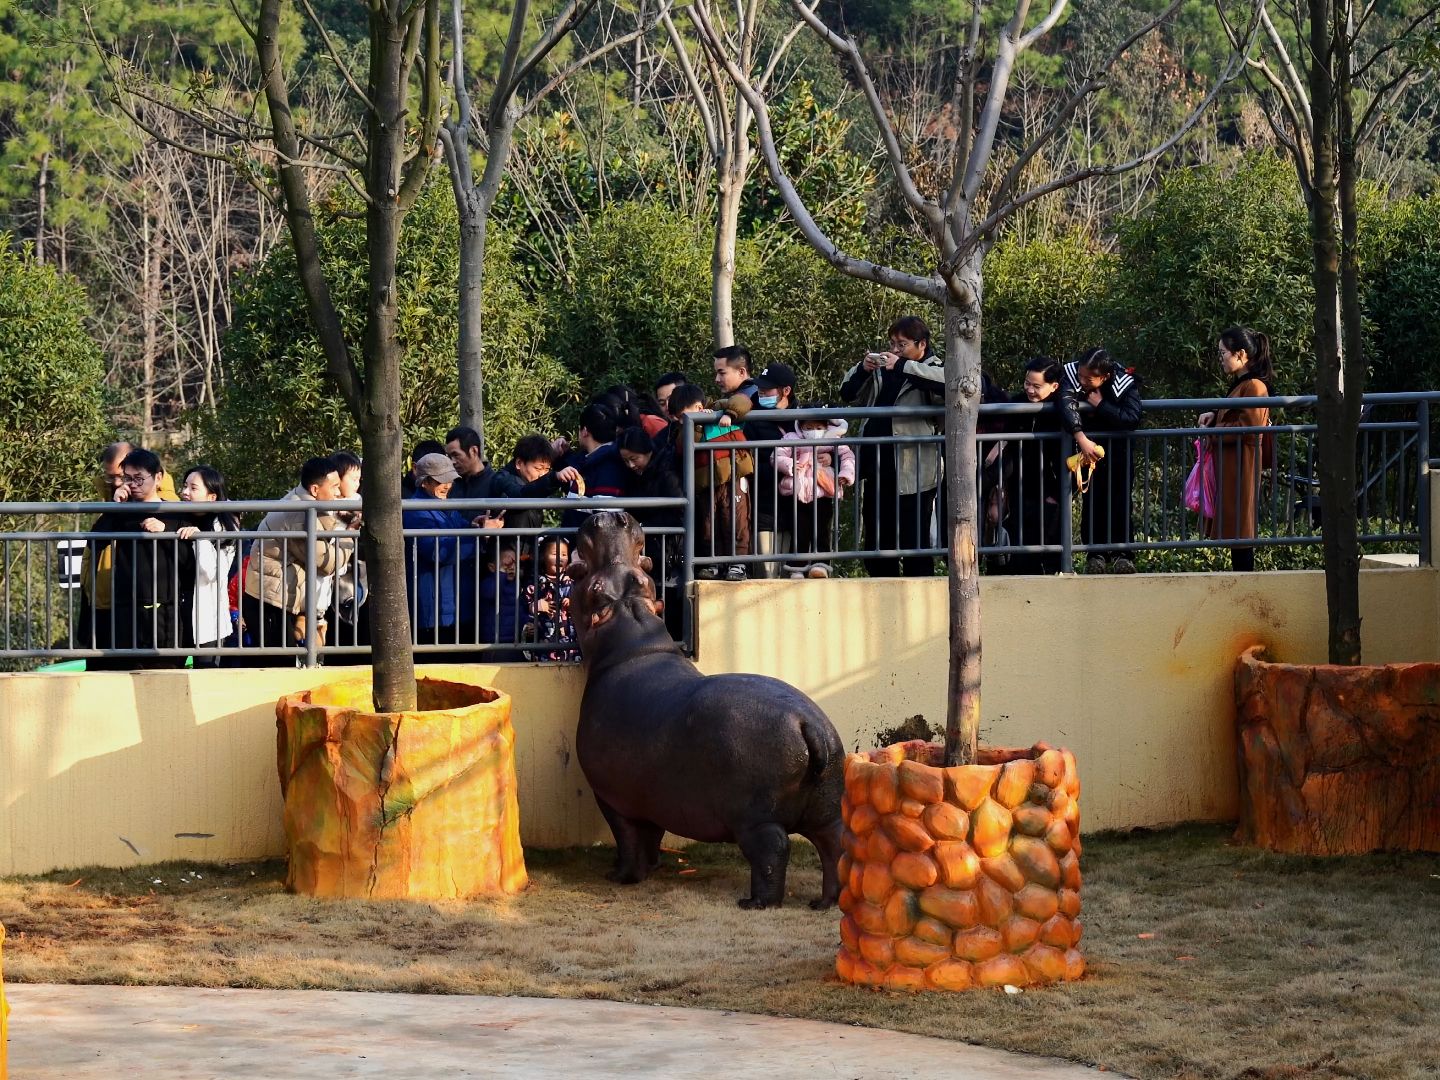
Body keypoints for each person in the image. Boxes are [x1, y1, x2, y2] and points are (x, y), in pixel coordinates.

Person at [840, 315, 944, 577]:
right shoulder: (882, 369)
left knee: (914, 539)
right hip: (877, 466)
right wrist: (863, 368)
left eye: (902, 344)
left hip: (915, 469)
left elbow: (946, 385)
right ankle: (881, 587)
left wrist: (902, 366)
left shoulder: (934, 367)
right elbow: (847, 393)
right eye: (892, 344)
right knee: (877, 537)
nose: (895, 350)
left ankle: (918, 589)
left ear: (922, 344)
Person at [88, 449, 193, 669]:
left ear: (158, 477)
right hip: (126, 609)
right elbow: (94, 542)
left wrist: (166, 533)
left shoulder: (176, 512)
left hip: (165, 609)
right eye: (127, 478)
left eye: (139, 478)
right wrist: (114, 508)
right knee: (126, 673)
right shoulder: (122, 511)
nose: (133, 485)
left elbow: (188, 563)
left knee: (166, 672)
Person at [240, 456, 348, 663]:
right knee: (279, 665)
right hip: (269, 600)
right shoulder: (300, 514)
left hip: (274, 594)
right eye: (335, 487)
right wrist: (348, 536)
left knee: (282, 662)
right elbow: (327, 563)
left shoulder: (303, 502)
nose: (339, 493)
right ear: (315, 490)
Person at [1060, 347, 1143, 574]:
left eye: (1089, 379)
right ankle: (1095, 554)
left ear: (1105, 377)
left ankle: (1122, 555)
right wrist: (1081, 437)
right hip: (1089, 453)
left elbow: (1132, 418)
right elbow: (1065, 404)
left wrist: (1101, 405)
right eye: (1080, 375)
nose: (1082, 381)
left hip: (1119, 452)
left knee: (1120, 502)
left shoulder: (1125, 382)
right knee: (1092, 502)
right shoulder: (1071, 375)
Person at [1199, 327, 1275, 573]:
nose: (1220, 358)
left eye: (1223, 353)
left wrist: (1215, 429)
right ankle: (1243, 580)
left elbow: (1249, 428)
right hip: (1234, 464)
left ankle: (1245, 582)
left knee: (1241, 528)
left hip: (1243, 465)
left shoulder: (1254, 386)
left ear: (1240, 354)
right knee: (1238, 529)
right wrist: (1215, 416)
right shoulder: (1244, 384)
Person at [669, 383, 753, 581]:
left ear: (699, 407)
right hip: (707, 484)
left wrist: (728, 414)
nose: (681, 421)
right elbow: (682, 446)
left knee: (736, 520)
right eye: (678, 418)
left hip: (733, 479)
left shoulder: (718, 408)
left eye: (683, 416)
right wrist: (697, 424)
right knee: (709, 523)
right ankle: (713, 563)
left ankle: (738, 564)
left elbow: (744, 401)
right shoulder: (683, 431)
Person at [403, 453, 479, 654]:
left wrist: (476, 526)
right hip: (433, 610)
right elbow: (439, 552)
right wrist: (479, 537)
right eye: (440, 480)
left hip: (452, 606)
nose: (447, 485)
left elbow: (460, 528)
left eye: (450, 480)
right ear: (424, 481)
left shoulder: (444, 505)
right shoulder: (415, 510)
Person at [774, 404, 855, 578]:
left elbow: (848, 456)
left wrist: (844, 473)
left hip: (823, 493)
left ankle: (821, 565)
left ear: (826, 426)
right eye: (809, 427)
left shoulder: (833, 439)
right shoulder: (791, 438)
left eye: (818, 428)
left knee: (822, 530)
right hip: (798, 493)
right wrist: (790, 464)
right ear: (800, 426)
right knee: (799, 531)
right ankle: (797, 567)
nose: (814, 432)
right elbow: (777, 456)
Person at [1000, 358, 1065, 575]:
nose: (1029, 389)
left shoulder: (1063, 408)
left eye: (1036, 386)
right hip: (1018, 488)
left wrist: (1058, 493)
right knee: (1019, 549)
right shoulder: (1017, 404)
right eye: (1027, 383)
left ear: (1054, 386)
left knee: (1049, 548)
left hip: (1050, 491)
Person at [176, 466, 240, 667]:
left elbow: (212, 572)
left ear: (212, 497)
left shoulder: (224, 525)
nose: (185, 492)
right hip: (177, 611)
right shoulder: (176, 516)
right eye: (185, 486)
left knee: (206, 672)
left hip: (207, 615)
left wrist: (199, 538)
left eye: (193, 488)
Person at [617, 424, 685, 606]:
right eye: (626, 460)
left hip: (668, 553)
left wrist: (644, 526)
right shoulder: (631, 477)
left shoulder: (667, 472)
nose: (631, 465)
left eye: (634, 459)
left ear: (648, 451)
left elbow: (679, 511)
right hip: (647, 552)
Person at [745, 362, 797, 578]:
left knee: (791, 575)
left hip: (795, 510)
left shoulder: (802, 419)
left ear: (786, 391)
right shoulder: (751, 419)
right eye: (760, 388)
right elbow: (748, 463)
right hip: (763, 507)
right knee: (765, 573)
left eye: (767, 389)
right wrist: (778, 469)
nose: (761, 393)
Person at [523, 536, 577, 661]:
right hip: (544, 648)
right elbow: (523, 609)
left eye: (564, 554)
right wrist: (536, 606)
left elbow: (584, 607)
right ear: (543, 557)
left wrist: (573, 604)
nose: (560, 558)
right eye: (554, 554)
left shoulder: (573, 582)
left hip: (571, 648)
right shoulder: (534, 584)